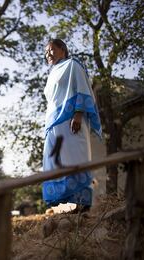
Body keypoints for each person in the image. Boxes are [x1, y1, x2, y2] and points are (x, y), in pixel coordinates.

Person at [41, 39, 102, 212]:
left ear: (63, 49)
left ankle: (83, 206)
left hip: (71, 121)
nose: (48, 54)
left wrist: (78, 113)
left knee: (76, 160)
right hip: (53, 124)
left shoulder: (72, 65)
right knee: (55, 162)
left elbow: (82, 89)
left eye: (51, 50)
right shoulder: (52, 74)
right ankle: (66, 206)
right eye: (46, 52)